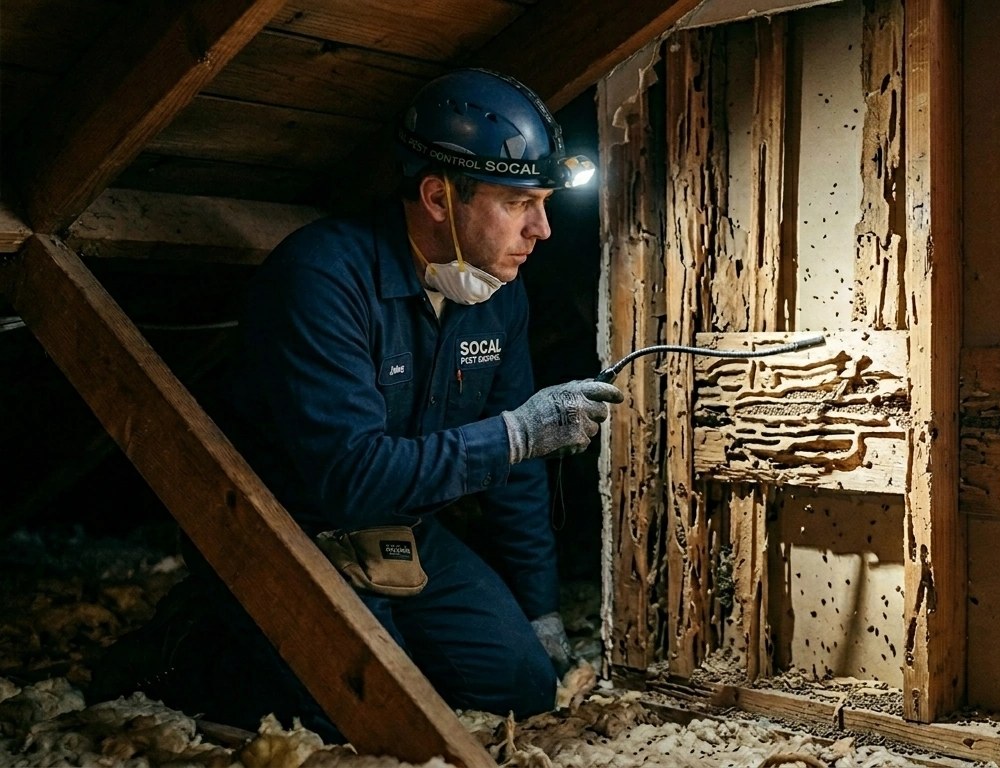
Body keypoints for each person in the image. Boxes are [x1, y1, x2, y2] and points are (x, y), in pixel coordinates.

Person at [91, 69, 621, 738]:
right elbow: (351, 477)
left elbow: (517, 469)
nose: (542, 229)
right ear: (436, 195)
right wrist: (515, 434)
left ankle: (372, 640)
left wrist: (540, 611)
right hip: (290, 532)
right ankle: (190, 645)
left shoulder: (498, 293)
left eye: (544, 202)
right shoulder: (321, 278)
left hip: (402, 533)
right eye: (519, 204)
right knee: (349, 712)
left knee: (519, 684)